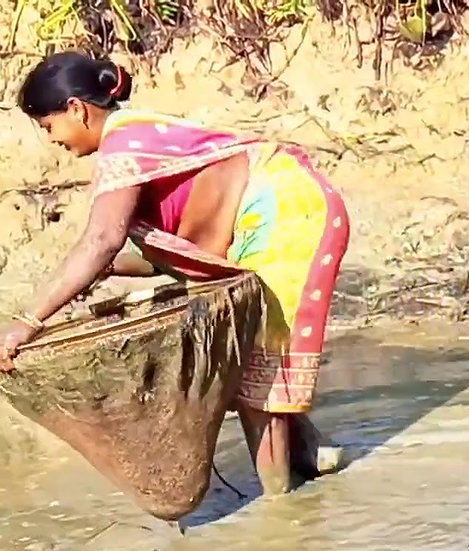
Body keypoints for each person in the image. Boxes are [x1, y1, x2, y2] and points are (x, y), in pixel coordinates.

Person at [0, 52, 349, 495]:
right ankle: (308, 460)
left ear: (76, 109)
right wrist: (107, 269)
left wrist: (27, 324)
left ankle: (280, 515)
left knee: (256, 371)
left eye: (48, 126)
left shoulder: (123, 147)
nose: (51, 140)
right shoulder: (135, 137)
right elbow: (172, 255)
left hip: (289, 213)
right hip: (282, 210)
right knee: (251, 357)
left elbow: (101, 239)